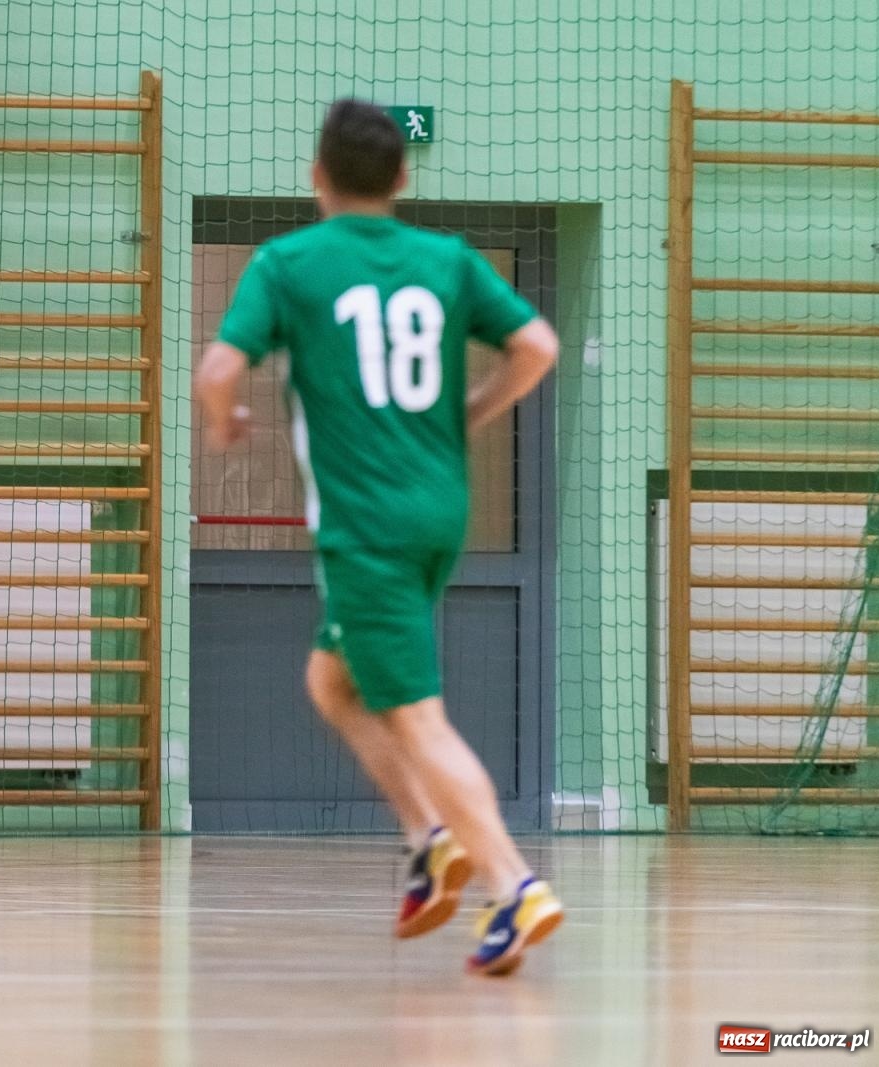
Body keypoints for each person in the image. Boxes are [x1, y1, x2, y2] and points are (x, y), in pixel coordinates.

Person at [194, 100, 562, 976]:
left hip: (367, 528)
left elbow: (217, 370)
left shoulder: (290, 263)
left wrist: (223, 421)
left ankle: (513, 884)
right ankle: (428, 837)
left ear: (315, 174)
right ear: (403, 179)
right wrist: (472, 411)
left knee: (416, 713)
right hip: (442, 509)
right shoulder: (446, 259)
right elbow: (539, 345)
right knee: (333, 679)